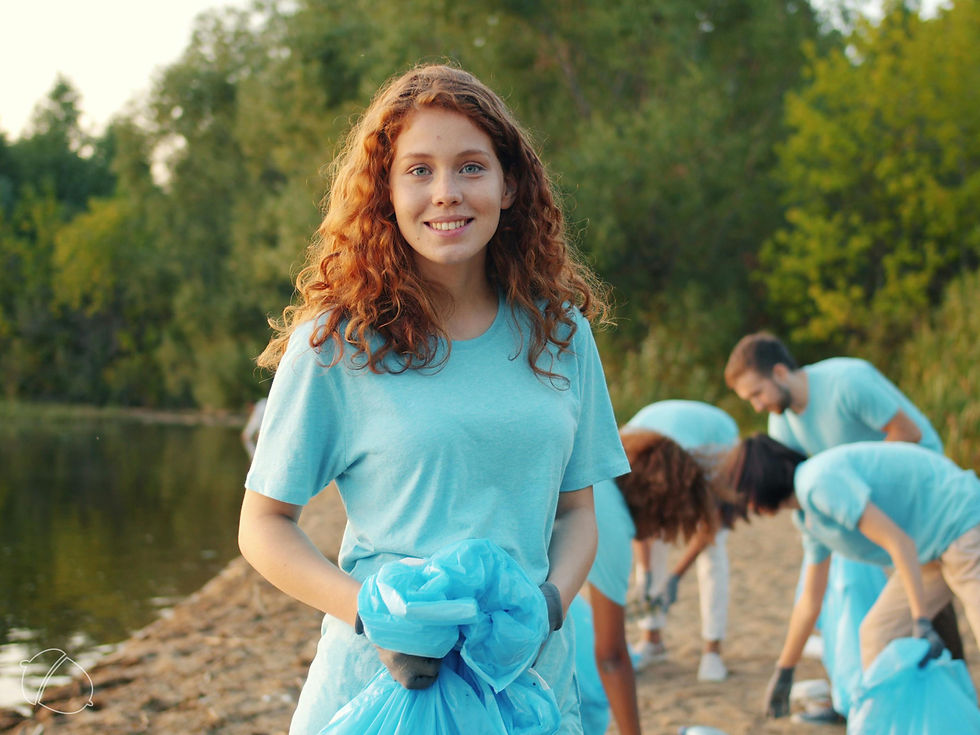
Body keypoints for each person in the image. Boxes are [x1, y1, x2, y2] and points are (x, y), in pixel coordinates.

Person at [236, 64, 629, 735]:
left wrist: (548, 604)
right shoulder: (337, 341)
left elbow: (577, 513)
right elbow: (264, 526)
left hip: (528, 686)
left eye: (471, 167)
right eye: (418, 170)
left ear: (509, 185)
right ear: (385, 192)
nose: (446, 192)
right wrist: (372, 613)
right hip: (379, 691)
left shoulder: (560, 333)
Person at [724, 331, 961, 719]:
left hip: (921, 497)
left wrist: (856, 497)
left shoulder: (846, 383)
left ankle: (954, 694)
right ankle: (853, 696)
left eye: (756, 394)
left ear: (780, 372)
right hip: (857, 511)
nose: (757, 406)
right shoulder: (781, 426)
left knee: (932, 604)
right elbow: (802, 492)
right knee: (850, 599)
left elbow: (908, 433)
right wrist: (784, 669)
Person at [723, 436, 980, 719]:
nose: (747, 505)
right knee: (877, 633)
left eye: (745, 494)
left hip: (962, 522)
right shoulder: (808, 516)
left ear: (760, 479)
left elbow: (899, 543)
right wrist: (785, 670)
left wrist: (921, 620)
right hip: (929, 548)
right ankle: (883, 722)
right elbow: (810, 601)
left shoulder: (817, 481)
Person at [573, 425, 729, 735]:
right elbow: (611, 656)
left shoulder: (596, 475)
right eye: (667, 526)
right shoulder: (611, 522)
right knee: (589, 692)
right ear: (661, 505)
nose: (660, 534)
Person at [625, 400, 740, 682]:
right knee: (654, 550)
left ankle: (712, 650)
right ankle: (652, 639)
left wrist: (676, 576)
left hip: (715, 440)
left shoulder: (714, 457)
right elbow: (641, 522)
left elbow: (712, 525)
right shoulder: (627, 452)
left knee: (713, 554)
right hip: (659, 439)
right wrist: (649, 576)